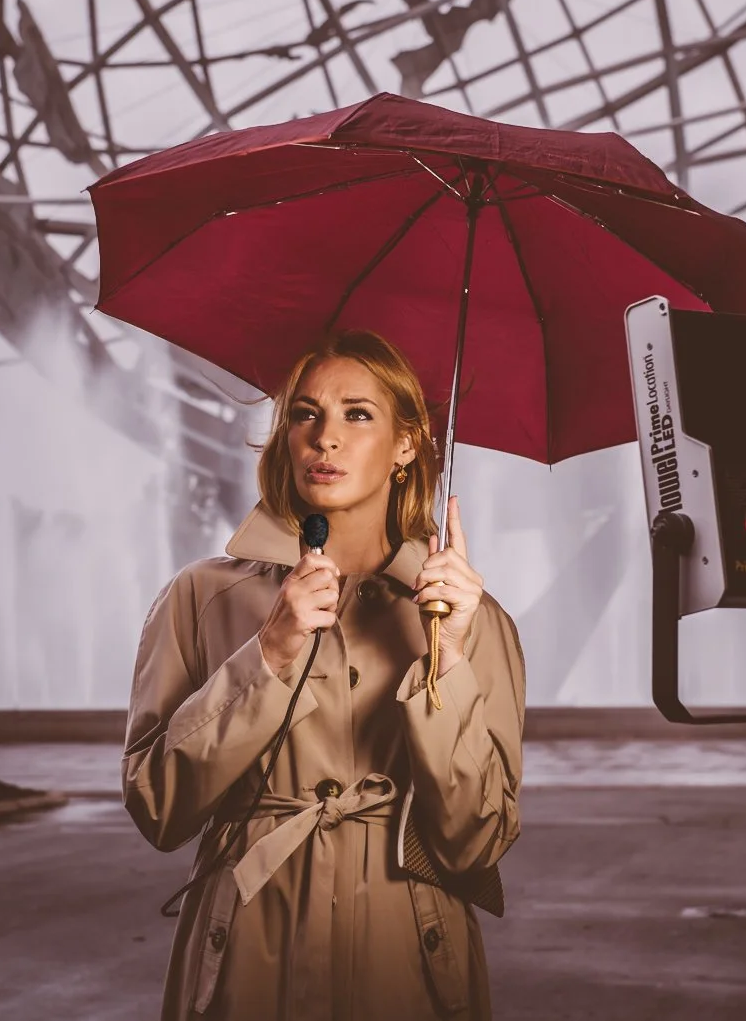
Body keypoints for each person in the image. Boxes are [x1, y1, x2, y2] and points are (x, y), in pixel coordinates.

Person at [121, 329, 527, 1020]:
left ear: (407, 443)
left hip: (410, 952)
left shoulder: (470, 616)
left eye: (357, 413)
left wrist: (448, 657)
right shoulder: (199, 596)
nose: (325, 437)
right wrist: (267, 656)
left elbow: (476, 839)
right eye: (305, 414)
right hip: (248, 943)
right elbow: (159, 808)